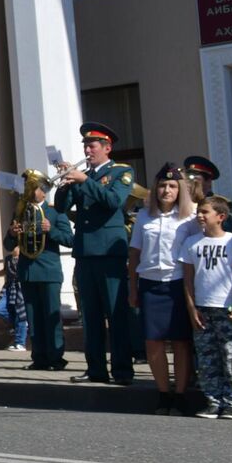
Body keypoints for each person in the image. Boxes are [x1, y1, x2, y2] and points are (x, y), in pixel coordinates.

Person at [55, 122, 138, 385]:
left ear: (106, 147)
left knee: (116, 314)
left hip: (108, 252)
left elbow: (113, 201)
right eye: (85, 146)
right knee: (90, 315)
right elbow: (60, 207)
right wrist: (66, 183)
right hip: (85, 251)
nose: (87, 150)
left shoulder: (121, 172)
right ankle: (95, 369)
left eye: (92, 146)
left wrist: (82, 180)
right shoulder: (84, 176)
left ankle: (123, 370)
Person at [129, 163, 194, 413]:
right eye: (163, 185)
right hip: (150, 283)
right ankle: (163, 393)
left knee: (180, 341)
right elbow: (135, 252)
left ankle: (180, 394)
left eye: (173, 186)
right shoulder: (144, 216)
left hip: (177, 282)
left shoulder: (190, 216)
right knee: (153, 341)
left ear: (181, 190)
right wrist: (132, 287)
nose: (167, 190)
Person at [182, 195, 232, 420]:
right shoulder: (191, 243)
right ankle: (213, 400)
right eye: (199, 211)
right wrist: (192, 309)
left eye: (205, 212)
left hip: (227, 307)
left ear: (221, 217)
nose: (200, 215)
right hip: (202, 308)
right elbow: (188, 279)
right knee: (207, 358)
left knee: (230, 356)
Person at [5, 175, 74, 371]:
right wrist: (11, 233)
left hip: (49, 271)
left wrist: (51, 231)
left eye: (32, 186)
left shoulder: (55, 212)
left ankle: (56, 358)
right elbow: (8, 245)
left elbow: (69, 239)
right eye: (27, 186)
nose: (28, 190)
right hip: (27, 272)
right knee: (33, 318)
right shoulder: (20, 211)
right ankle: (39, 357)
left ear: (43, 191)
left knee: (51, 317)